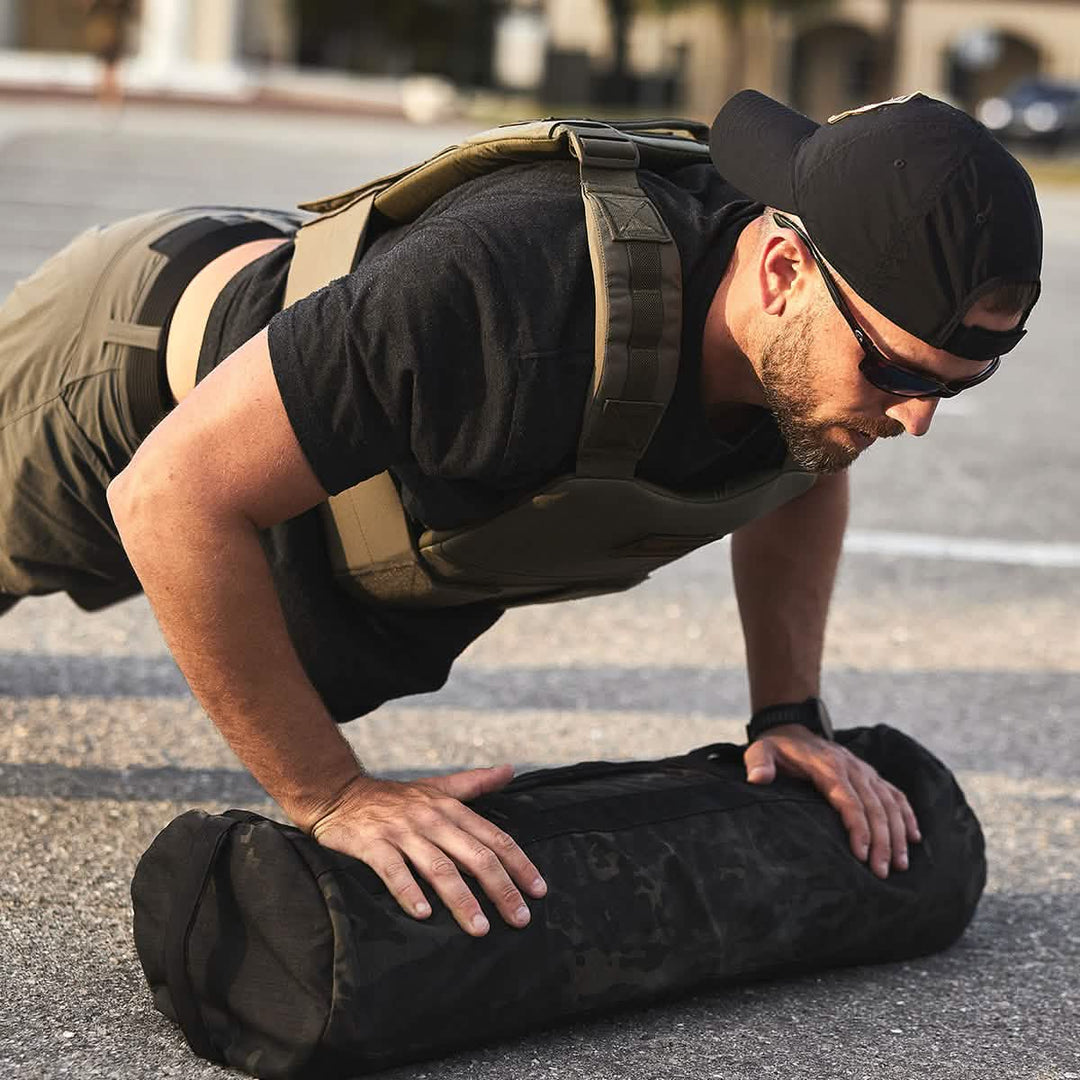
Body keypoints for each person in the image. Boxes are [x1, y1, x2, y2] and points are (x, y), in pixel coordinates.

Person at [0, 92, 1041, 939]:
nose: (915, 420)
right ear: (781, 271)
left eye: (952, 387)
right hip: (124, 368)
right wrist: (330, 794)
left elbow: (801, 466)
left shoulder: (807, 351)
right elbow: (170, 494)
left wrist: (789, 715)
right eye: (897, 371)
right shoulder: (513, 298)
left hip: (330, 412)